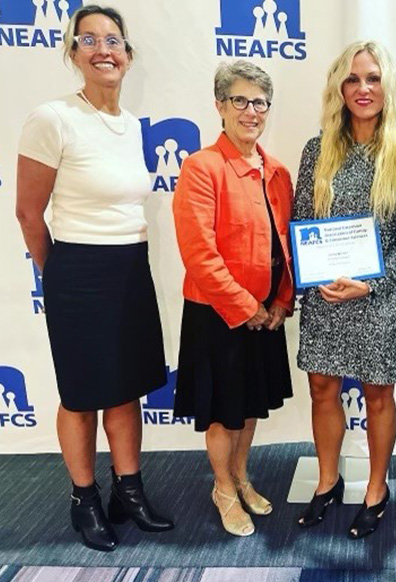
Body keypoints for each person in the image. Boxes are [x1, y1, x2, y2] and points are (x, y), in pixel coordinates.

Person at [15, 5, 173, 552]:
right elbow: (29, 214)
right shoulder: (52, 118)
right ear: (74, 53)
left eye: (113, 40)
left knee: (126, 387)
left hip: (131, 265)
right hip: (77, 271)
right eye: (89, 40)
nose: (103, 49)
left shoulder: (131, 125)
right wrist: (56, 274)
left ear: (128, 56)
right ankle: (85, 498)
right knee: (81, 395)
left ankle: (127, 492)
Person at [293, 40, 396, 539]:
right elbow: (302, 222)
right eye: (353, 79)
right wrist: (317, 277)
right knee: (322, 388)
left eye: (372, 78)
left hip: (379, 297)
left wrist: (370, 282)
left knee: (377, 394)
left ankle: (376, 488)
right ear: (340, 88)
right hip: (326, 294)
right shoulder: (318, 150)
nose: (363, 88)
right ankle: (328, 483)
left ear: (386, 86)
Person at [172, 60, 294, 537]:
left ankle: (242, 476)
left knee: (248, 407)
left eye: (259, 102)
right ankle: (222, 486)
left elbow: (286, 245)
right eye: (240, 100)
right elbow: (199, 254)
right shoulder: (201, 168)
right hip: (219, 316)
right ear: (220, 106)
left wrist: (281, 303)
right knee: (225, 411)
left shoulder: (277, 171)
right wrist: (247, 308)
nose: (251, 111)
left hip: (266, 315)